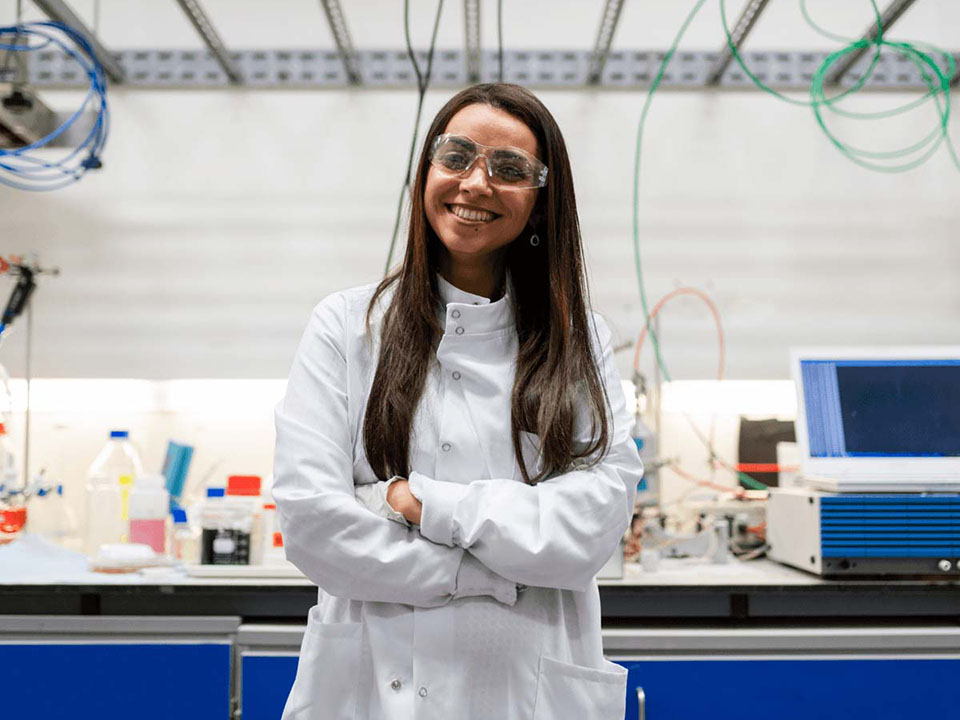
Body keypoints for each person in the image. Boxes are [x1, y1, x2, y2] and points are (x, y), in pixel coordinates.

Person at [272, 82, 643, 720]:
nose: (476, 183)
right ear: (426, 173)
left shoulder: (581, 341)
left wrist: (414, 503)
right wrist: (497, 573)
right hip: (367, 689)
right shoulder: (347, 326)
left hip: (526, 692)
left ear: (542, 200)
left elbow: (589, 532)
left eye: (509, 169)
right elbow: (313, 525)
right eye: (456, 157)